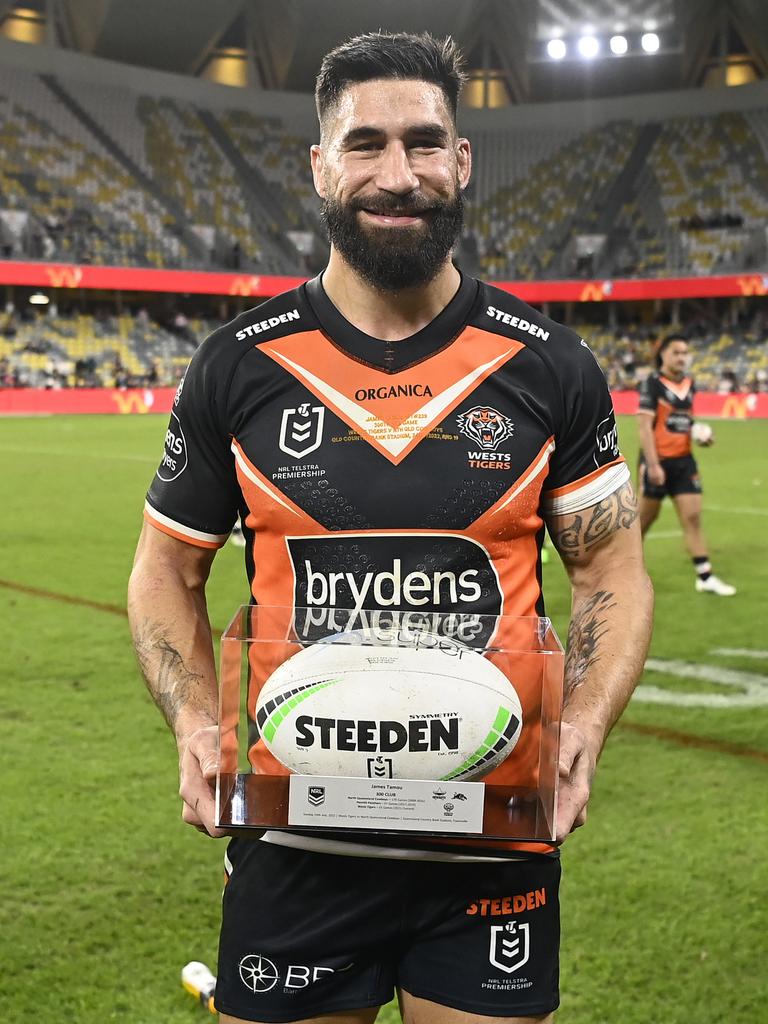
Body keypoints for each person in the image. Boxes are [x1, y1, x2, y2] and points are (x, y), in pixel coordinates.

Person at [128, 32, 653, 1024]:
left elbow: (612, 571)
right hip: (296, 839)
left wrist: (582, 725)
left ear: (461, 162)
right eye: (365, 144)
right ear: (320, 166)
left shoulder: (550, 369)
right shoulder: (238, 367)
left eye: (424, 143)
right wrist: (197, 722)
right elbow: (165, 571)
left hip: (493, 839)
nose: (397, 173)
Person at [637, 333, 736, 595]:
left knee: (692, 517)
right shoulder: (652, 384)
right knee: (643, 520)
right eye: (676, 352)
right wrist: (653, 464)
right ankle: (625, 570)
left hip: (684, 461)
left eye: (685, 353)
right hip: (658, 461)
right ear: (663, 355)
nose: (682, 357)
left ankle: (705, 576)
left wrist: (700, 434)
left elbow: (683, 421)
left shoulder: (690, 384)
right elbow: (644, 427)